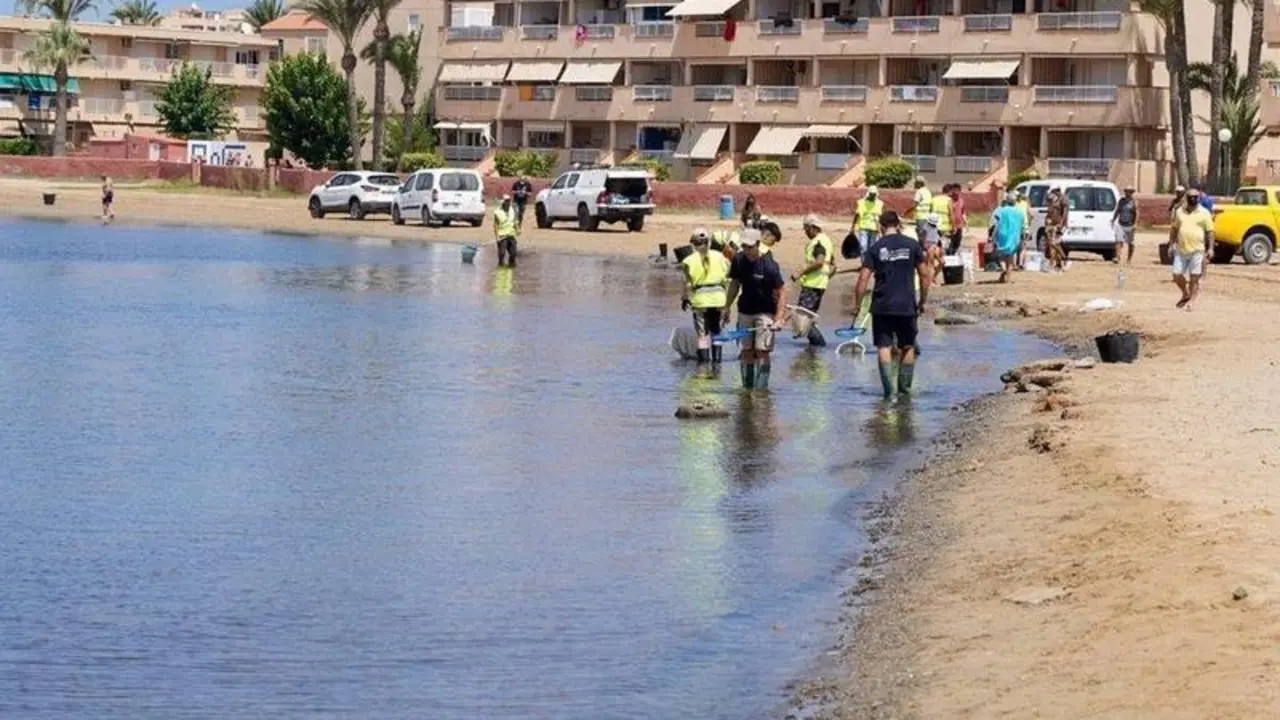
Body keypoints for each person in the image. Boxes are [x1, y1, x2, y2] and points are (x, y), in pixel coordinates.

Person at [854, 211, 930, 400]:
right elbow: (925, 275)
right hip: (906, 304)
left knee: (884, 347)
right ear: (898, 225)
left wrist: (857, 306)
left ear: (880, 226)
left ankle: (888, 393)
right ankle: (904, 392)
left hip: (882, 305)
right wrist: (922, 301)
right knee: (908, 346)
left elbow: (863, 279)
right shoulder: (912, 245)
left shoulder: (875, 248)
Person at [725, 229, 787, 390]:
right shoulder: (738, 260)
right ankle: (747, 390)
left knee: (762, 350)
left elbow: (782, 291)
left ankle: (761, 390)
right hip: (745, 310)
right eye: (744, 246)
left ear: (758, 245)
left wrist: (779, 318)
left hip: (765, 311)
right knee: (746, 350)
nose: (746, 250)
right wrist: (726, 307)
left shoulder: (769, 266)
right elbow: (734, 284)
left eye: (749, 247)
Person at [681, 229, 731, 364]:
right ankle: (717, 365)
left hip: (700, 301)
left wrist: (684, 298)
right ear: (708, 242)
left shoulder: (688, 261)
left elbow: (688, 284)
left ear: (693, 244)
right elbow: (728, 279)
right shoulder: (720, 257)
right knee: (717, 333)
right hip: (719, 300)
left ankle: (703, 367)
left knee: (703, 336)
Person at [791, 214, 836, 347]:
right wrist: (827, 277)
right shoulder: (826, 240)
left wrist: (801, 272)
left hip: (813, 284)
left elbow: (819, 262)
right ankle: (813, 349)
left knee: (803, 319)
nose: (805, 232)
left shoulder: (818, 243)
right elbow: (833, 265)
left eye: (805, 229)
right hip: (818, 283)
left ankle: (819, 344)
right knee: (807, 318)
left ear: (811, 227)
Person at [1169, 188, 1214, 311]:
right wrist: (1171, 244)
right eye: (1190, 196)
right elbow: (1174, 229)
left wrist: (1210, 248)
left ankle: (1192, 301)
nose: (1193, 199)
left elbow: (1210, 232)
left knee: (1194, 277)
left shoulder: (1204, 213)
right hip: (1181, 249)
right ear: (1186, 197)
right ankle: (1185, 293)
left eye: (1195, 197)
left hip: (1197, 250)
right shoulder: (1179, 212)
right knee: (1177, 274)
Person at [990, 194, 1026, 284]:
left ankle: (1003, 269)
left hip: (1002, 234)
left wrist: (992, 236)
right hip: (1014, 236)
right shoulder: (1020, 212)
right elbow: (1022, 225)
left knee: (1001, 255)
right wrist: (1023, 234)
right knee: (1010, 257)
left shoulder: (1001, 211)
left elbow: (996, 224)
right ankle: (1008, 279)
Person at [927, 183, 953, 278]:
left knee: (932, 254)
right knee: (941, 254)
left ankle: (931, 275)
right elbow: (951, 214)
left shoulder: (934, 199)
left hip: (933, 229)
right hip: (945, 229)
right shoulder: (949, 200)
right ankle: (933, 277)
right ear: (949, 192)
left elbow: (929, 213)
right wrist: (953, 226)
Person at [851, 186, 884, 254]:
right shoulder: (861, 202)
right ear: (868, 193)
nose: (873, 195)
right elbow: (857, 215)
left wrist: (881, 230)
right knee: (863, 247)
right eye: (871, 194)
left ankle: (870, 263)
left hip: (874, 229)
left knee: (872, 247)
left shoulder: (879, 203)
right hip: (863, 227)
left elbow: (879, 218)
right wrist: (853, 226)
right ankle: (864, 263)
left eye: (874, 194)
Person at [1112, 186, 1138, 265]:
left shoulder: (1134, 202)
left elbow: (1137, 213)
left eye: (1129, 191)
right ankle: (1117, 257)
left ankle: (1129, 259)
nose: (1127, 193)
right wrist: (1113, 219)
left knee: (1130, 242)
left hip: (1130, 224)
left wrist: (1135, 224)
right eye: (1126, 191)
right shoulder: (1121, 201)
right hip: (1121, 223)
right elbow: (1118, 210)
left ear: (1131, 193)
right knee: (1118, 240)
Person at [1044, 186, 1069, 270]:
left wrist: (1061, 224)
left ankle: (1065, 258)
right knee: (1052, 244)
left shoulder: (1064, 199)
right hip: (1053, 224)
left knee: (1055, 243)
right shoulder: (1056, 199)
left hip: (1060, 225)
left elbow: (1065, 213)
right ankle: (1058, 264)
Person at [493, 194, 519, 267]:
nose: (508, 202)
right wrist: (497, 236)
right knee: (502, 253)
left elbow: (515, 221)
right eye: (506, 201)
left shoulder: (513, 209)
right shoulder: (497, 212)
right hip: (502, 236)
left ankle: (511, 266)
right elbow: (495, 225)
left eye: (509, 201)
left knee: (513, 253)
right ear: (503, 202)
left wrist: (517, 229)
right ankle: (501, 265)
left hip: (511, 234)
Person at [910, 176, 932, 243]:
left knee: (921, 235)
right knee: (926, 235)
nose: (914, 185)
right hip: (927, 216)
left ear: (919, 184)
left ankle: (921, 249)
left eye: (916, 183)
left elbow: (915, 204)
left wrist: (907, 212)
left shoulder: (919, 192)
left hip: (921, 217)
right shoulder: (928, 191)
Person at [947, 183, 966, 255]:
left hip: (959, 225)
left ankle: (953, 256)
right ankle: (949, 256)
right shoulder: (949, 200)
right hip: (951, 225)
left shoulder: (961, 201)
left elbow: (963, 212)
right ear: (952, 191)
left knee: (958, 242)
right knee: (950, 243)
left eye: (958, 191)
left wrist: (966, 223)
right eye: (954, 191)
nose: (956, 192)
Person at [1015, 189, 1032, 268]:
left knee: (1015, 247)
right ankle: (1020, 264)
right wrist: (1029, 222)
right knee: (1023, 247)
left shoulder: (1013, 205)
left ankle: (1014, 263)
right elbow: (1031, 215)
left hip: (1015, 228)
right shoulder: (1025, 204)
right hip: (1025, 228)